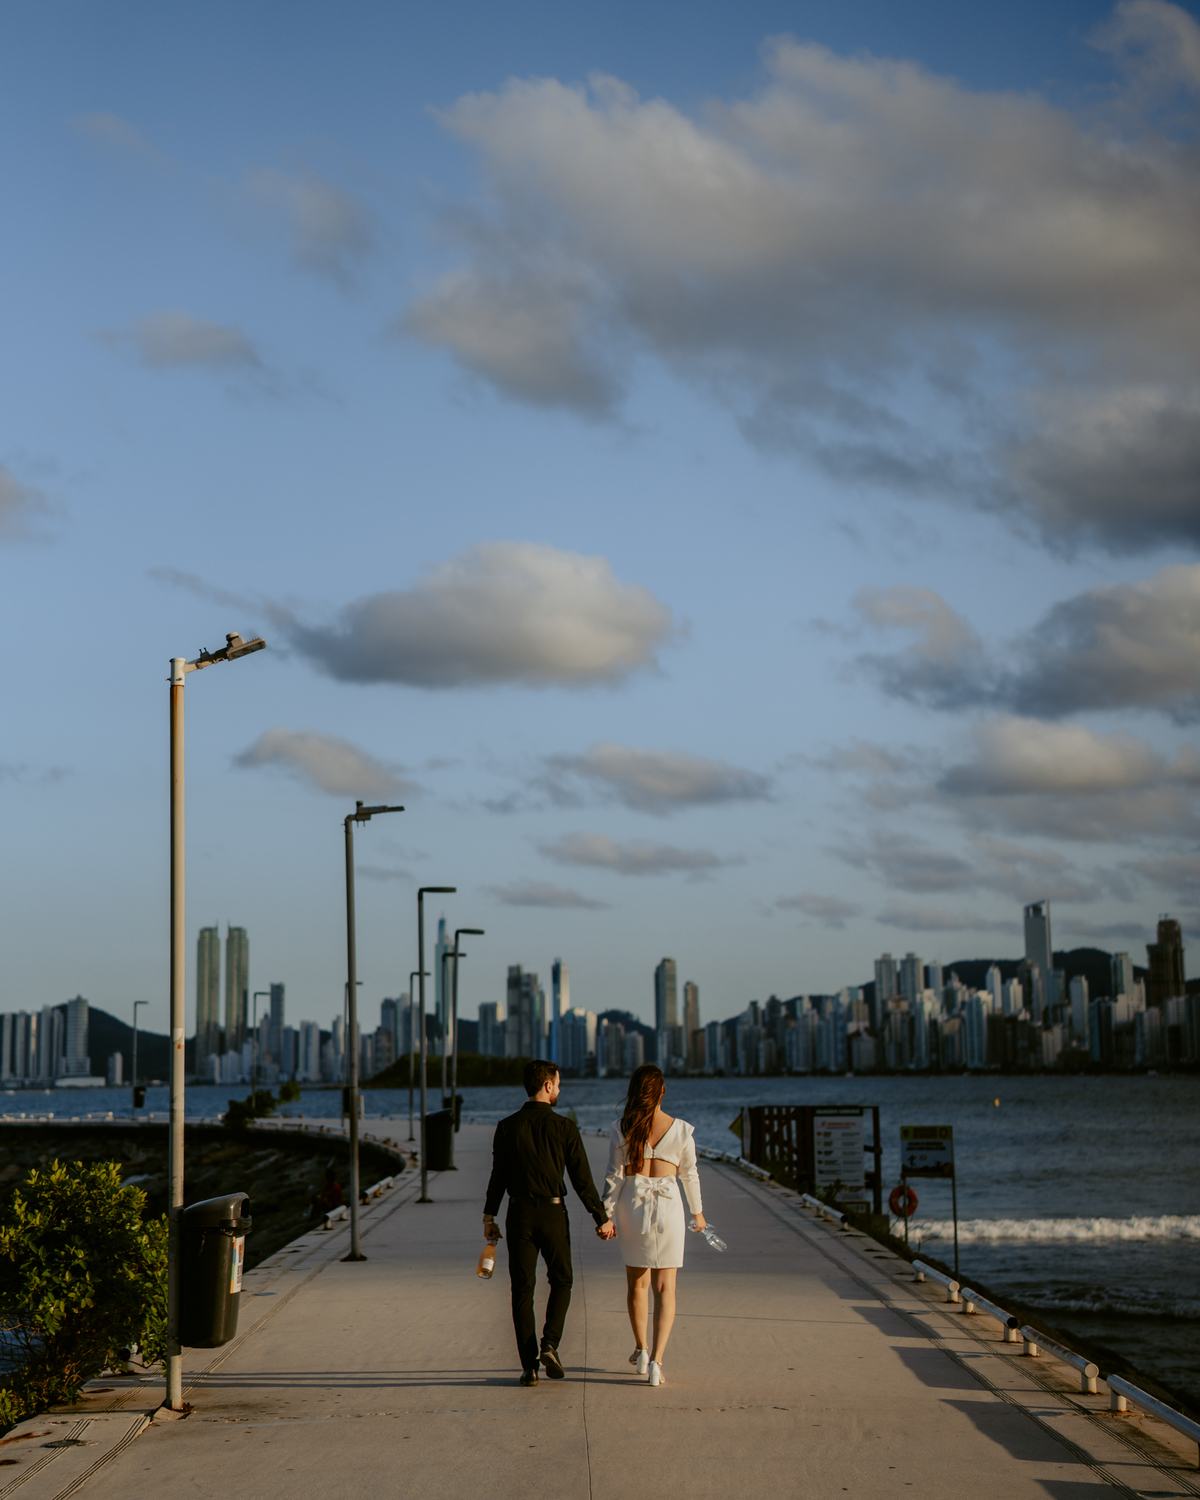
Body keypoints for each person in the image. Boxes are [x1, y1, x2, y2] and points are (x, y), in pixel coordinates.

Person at [484, 1060, 616, 1386]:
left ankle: (529, 1368)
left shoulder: (506, 1127)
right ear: (547, 1085)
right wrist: (601, 1218)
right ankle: (550, 1344)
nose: (559, 1089)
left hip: (519, 1214)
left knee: (522, 1289)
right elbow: (581, 1180)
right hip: (553, 1213)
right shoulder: (564, 1127)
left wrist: (489, 1216)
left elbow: (498, 1176)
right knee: (562, 1281)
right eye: (558, 1084)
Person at [602, 1064, 705, 1388]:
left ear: (634, 1092)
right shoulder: (681, 1130)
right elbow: (689, 1174)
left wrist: (605, 1215)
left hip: (632, 1206)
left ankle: (642, 1350)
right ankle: (657, 1363)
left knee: (638, 1285)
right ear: (662, 1091)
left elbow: (614, 1176)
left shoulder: (622, 1128)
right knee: (666, 1288)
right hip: (669, 1208)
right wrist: (698, 1213)